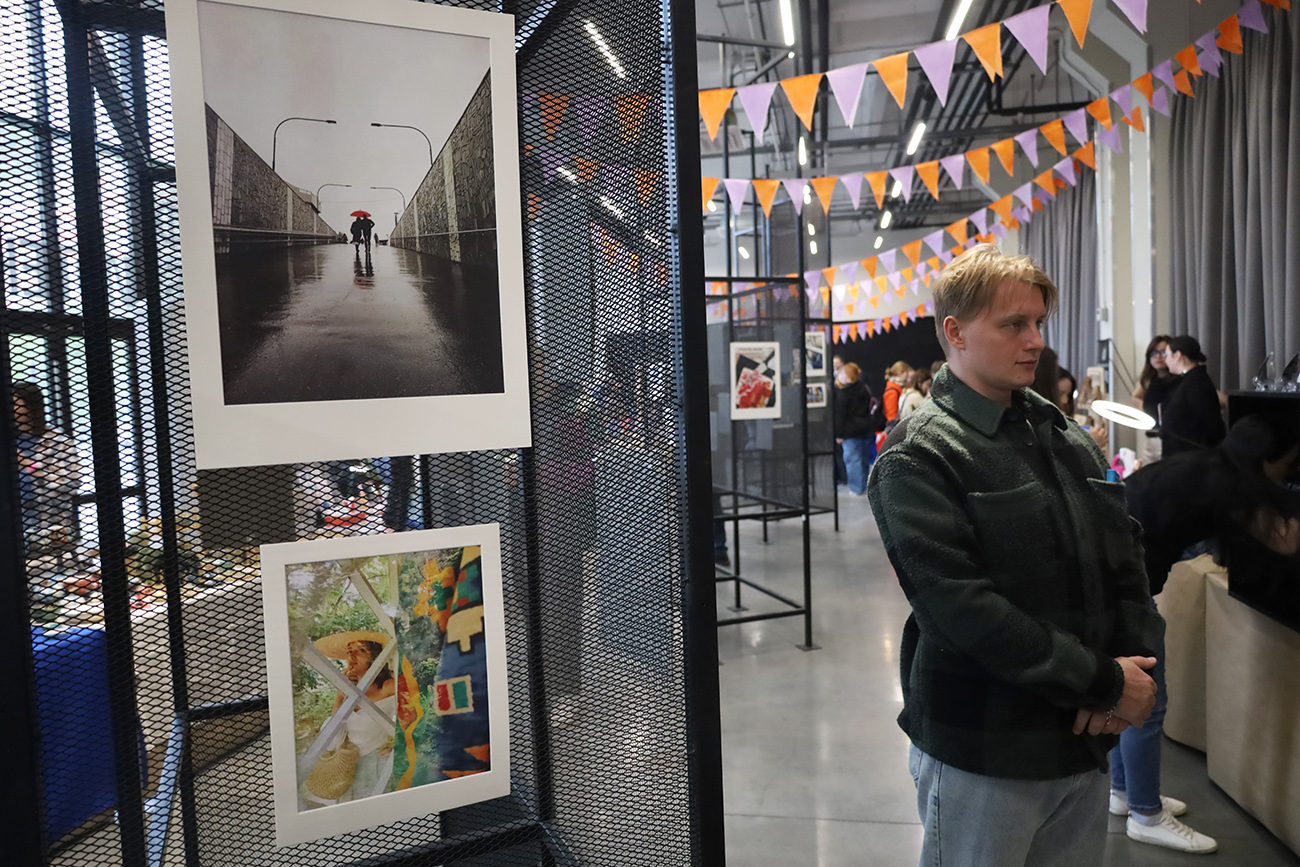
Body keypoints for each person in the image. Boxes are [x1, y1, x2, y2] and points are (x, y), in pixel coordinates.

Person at [868, 244, 1164, 867]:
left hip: (1083, 740)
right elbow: (962, 612)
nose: (1035, 341)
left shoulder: (1061, 431)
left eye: (1037, 322)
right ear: (955, 332)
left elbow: (1124, 551)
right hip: (988, 750)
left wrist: (1137, 669)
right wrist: (1105, 682)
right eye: (1013, 325)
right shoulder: (918, 454)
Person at [1112, 416, 1300, 852]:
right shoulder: (1233, 487)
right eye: (1289, 463)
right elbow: (1284, 542)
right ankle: (1146, 814)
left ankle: (1124, 793)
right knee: (1145, 702)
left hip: (1114, 576)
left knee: (1124, 693)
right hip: (1125, 586)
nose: (1289, 472)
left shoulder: (1208, 468)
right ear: (1266, 459)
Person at [311, 632, 397, 803]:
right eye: (350, 651)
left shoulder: (387, 687)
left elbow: (414, 715)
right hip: (346, 767)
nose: (352, 655)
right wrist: (340, 694)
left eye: (361, 650)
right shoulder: (349, 690)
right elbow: (334, 734)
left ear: (375, 657)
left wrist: (399, 744)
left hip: (377, 766)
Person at [12, 382, 81, 552]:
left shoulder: (59, 442)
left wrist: (30, 466)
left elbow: (71, 485)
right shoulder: (7, 441)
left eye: (14, 404)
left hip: (51, 531)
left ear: (31, 406)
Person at [1160, 336, 1226, 458]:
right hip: (1183, 456)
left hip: (1193, 458)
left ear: (1178, 355)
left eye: (1167, 355)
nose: (1165, 360)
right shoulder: (1189, 380)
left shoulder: (1196, 382)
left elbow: (1211, 423)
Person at [833, 362, 877, 496]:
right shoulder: (864, 389)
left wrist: (838, 434)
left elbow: (840, 416)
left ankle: (856, 488)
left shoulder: (843, 394)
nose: (839, 376)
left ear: (848, 376)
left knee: (852, 460)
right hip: (866, 427)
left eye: (842, 373)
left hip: (850, 431)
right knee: (864, 459)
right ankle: (864, 486)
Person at [1132, 335, 1177, 463]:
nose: (1158, 357)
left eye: (1163, 352)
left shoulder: (1178, 380)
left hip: (1170, 439)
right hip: (1151, 438)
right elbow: (1135, 397)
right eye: (1154, 353)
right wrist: (1148, 413)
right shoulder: (1149, 380)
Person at [881, 361, 912, 434]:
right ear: (900, 372)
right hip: (894, 428)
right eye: (906, 373)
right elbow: (891, 415)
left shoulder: (896, 388)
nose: (907, 377)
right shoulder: (892, 391)